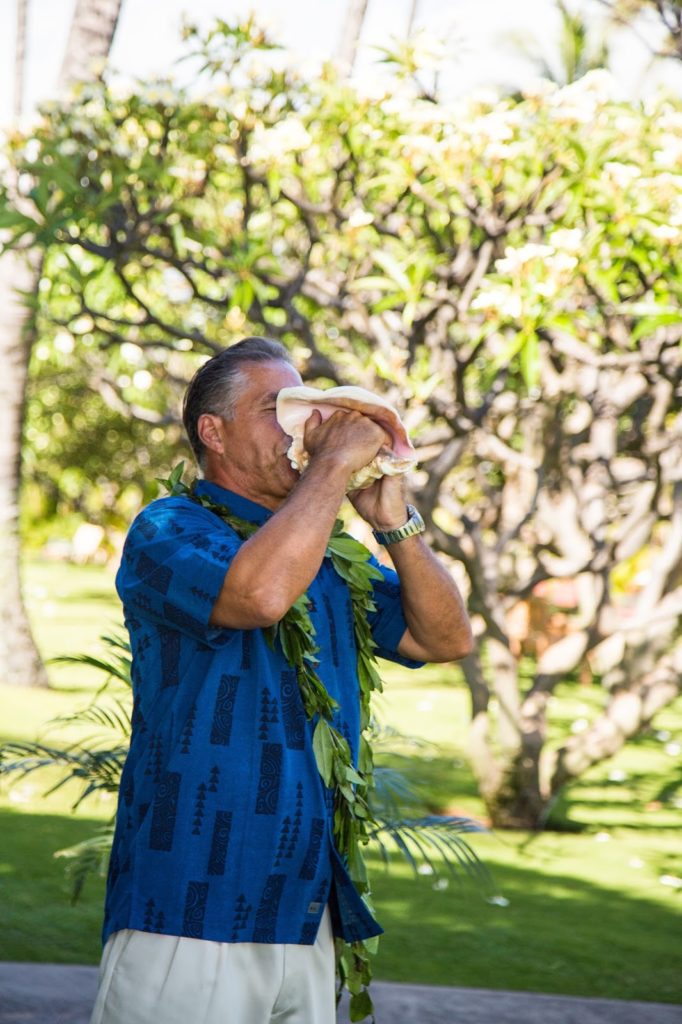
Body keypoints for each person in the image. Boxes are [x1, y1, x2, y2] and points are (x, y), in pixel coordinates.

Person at [90, 336, 473, 1024]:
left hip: (305, 905)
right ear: (214, 432)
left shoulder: (328, 556)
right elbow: (258, 596)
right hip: (192, 902)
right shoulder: (168, 527)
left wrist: (394, 522)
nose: (304, 427)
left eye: (308, 409)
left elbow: (444, 638)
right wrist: (330, 470)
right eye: (278, 409)